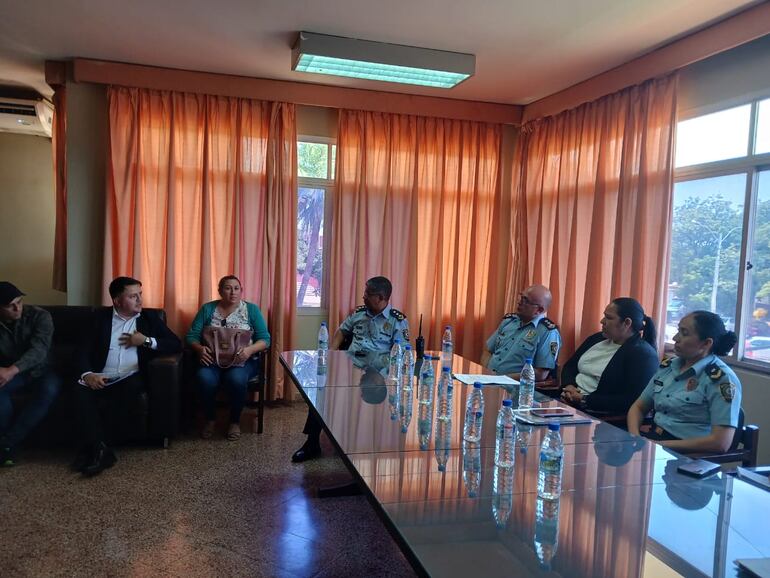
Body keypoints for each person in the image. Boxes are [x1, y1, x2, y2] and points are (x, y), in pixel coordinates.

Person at [292, 276, 408, 463]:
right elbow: (341, 332)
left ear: (380, 297)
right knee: (321, 393)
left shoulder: (397, 321)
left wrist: (382, 375)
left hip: (378, 378)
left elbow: (400, 354)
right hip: (349, 369)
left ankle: (364, 447)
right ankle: (312, 443)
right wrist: (331, 354)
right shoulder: (359, 313)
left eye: (368, 294)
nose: (363, 297)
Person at [74, 277, 181, 476]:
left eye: (140, 295)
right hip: (100, 376)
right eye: (133, 296)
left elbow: (175, 344)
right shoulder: (98, 318)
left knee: (130, 389)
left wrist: (146, 341)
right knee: (79, 392)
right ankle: (99, 449)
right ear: (117, 300)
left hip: (129, 377)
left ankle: (94, 450)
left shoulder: (148, 319)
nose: (140, 300)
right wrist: (88, 375)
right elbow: (81, 351)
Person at [628, 311, 742, 454]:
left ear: (706, 343)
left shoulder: (721, 379)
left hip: (688, 453)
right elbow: (638, 407)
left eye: (684, 333)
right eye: (678, 331)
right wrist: (634, 436)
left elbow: (720, 442)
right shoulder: (668, 366)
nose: (676, 338)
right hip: (654, 441)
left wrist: (657, 445)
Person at [186, 275, 270, 441]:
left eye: (236, 288)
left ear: (241, 291)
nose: (233, 292)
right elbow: (191, 336)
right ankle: (210, 419)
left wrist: (249, 350)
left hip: (242, 361)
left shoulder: (251, 310)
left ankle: (234, 421)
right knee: (204, 378)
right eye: (227, 288)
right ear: (220, 291)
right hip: (212, 361)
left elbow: (265, 339)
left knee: (236, 380)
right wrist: (199, 349)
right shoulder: (207, 309)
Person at [560, 297, 659, 416]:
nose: (602, 321)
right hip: (568, 401)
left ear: (627, 323)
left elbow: (631, 400)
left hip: (598, 414)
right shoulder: (596, 339)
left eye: (609, 318)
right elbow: (570, 366)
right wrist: (569, 386)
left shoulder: (642, 355)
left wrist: (583, 399)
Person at [0, 282, 61, 466]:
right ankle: (6, 446)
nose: (17, 307)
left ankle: (7, 443)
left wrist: (11, 370)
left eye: (19, 301)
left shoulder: (40, 316)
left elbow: (39, 350)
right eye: (10, 305)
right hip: (8, 371)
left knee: (49, 390)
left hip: (41, 370)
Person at [481, 284, 561, 380]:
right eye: (521, 297)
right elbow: (488, 350)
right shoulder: (509, 321)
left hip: (515, 387)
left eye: (526, 301)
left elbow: (541, 374)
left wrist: (501, 379)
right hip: (489, 380)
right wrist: (486, 373)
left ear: (539, 310)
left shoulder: (548, 332)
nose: (519, 302)